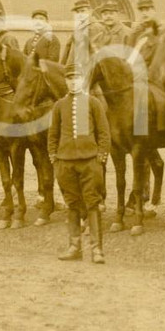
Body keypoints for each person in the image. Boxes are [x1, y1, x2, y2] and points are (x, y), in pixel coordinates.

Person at [49, 63, 112, 264]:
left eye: (77, 78)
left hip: (90, 162)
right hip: (66, 163)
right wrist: (55, 158)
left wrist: (100, 158)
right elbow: (53, 135)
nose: (73, 82)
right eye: (69, 79)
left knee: (92, 204)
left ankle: (97, 249)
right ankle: (74, 247)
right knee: (73, 205)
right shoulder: (59, 105)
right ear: (65, 81)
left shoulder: (93, 103)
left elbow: (104, 133)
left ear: (82, 80)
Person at [61, 0, 105, 66]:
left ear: (90, 11)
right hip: (74, 67)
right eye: (78, 12)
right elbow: (68, 49)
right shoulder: (80, 28)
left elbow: (95, 52)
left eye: (83, 11)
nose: (80, 14)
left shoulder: (95, 27)